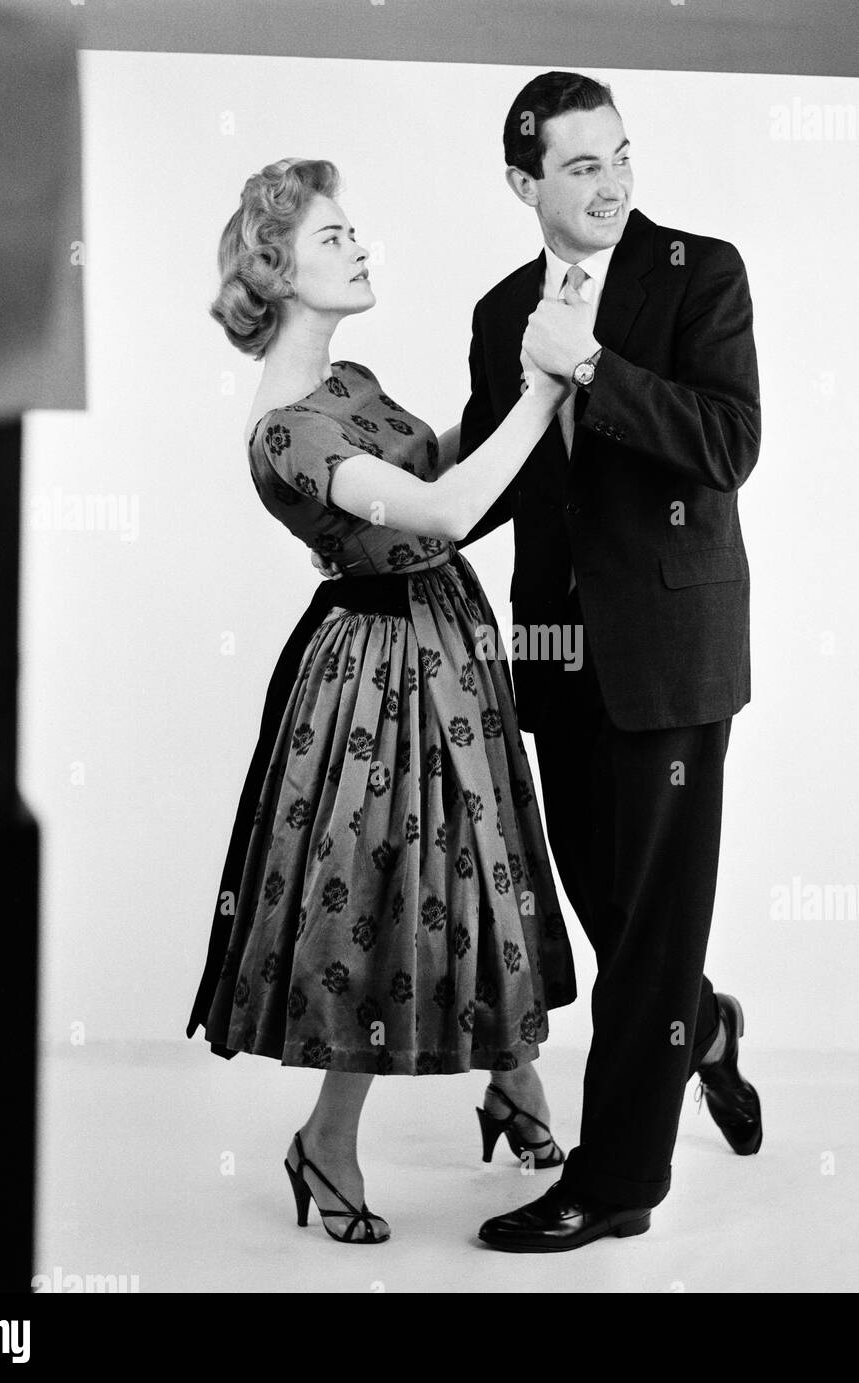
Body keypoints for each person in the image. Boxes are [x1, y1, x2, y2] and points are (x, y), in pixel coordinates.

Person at [187, 157, 577, 1245]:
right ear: (277, 271)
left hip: (447, 638)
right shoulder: (286, 431)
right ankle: (326, 1141)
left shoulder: (347, 384)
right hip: (376, 669)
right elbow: (441, 510)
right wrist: (543, 393)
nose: (358, 246)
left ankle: (516, 1085)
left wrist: (516, 376)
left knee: (479, 863)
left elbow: (436, 458)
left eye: (352, 230)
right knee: (385, 888)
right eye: (330, 238)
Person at [454, 72, 765, 1251]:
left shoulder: (703, 272)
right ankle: (705, 1027)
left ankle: (618, 1180)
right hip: (556, 650)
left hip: (675, 649)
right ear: (522, 182)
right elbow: (497, 477)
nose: (612, 183)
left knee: (653, 923)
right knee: (606, 906)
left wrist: (590, 366)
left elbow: (729, 444)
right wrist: (369, 505)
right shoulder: (498, 315)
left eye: (620, 156)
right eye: (581, 166)